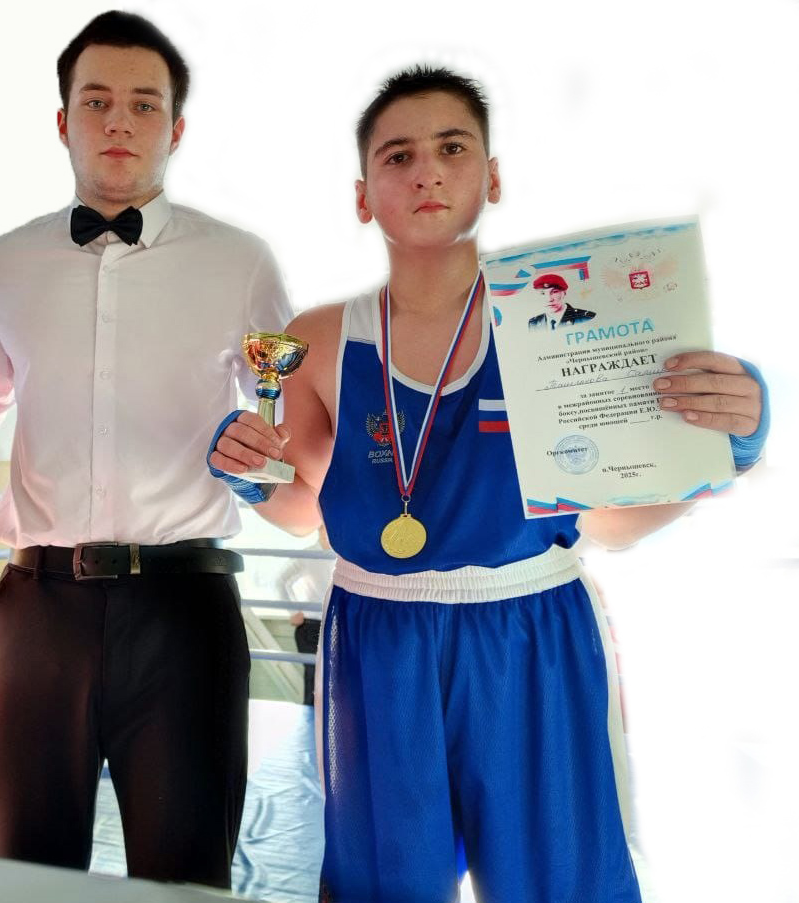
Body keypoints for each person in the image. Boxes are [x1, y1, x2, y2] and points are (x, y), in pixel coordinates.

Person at [208, 67, 769, 902]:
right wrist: (252, 476)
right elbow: (307, 508)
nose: (427, 172)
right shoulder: (320, 338)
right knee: (383, 888)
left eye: (452, 148)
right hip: (379, 634)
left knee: (560, 883)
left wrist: (728, 446)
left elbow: (612, 520)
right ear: (362, 196)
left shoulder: (557, 321)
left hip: (529, 630)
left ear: (492, 176)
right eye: (398, 156)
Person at [0, 10, 291, 888]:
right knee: (20, 878)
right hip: (36, 610)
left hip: (186, 606)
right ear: (61, 120)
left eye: (145, 104)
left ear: (176, 129)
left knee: (185, 878)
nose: (119, 121)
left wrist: (266, 454)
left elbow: (286, 411)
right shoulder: (2, 262)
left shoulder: (240, 261)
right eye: (96, 100)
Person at [527, 272, 594, 329]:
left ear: (564, 293)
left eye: (554, 292)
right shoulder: (533, 323)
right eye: (542, 293)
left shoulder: (586, 317)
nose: (549, 299)